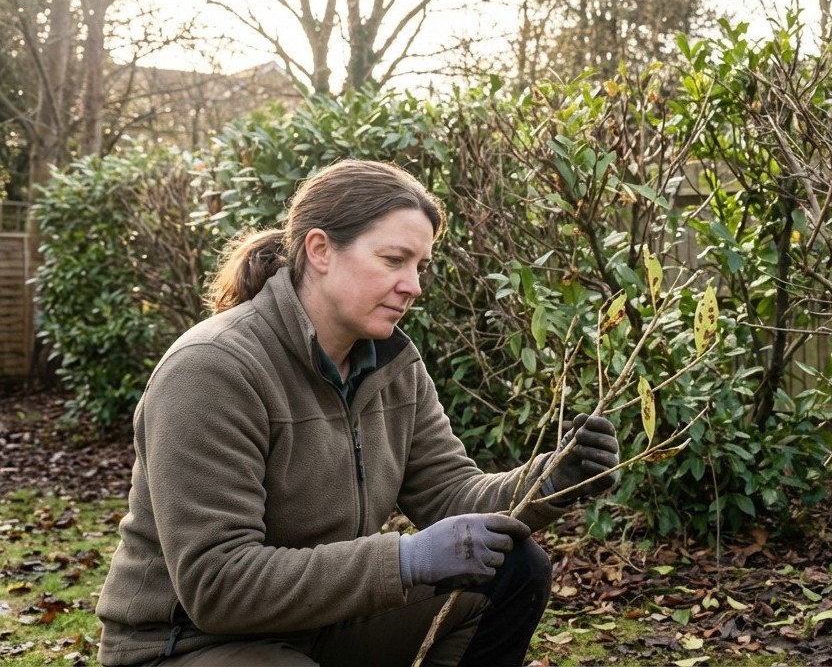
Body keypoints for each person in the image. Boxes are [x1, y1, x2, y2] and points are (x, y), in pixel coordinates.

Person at [96, 158, 619, 667]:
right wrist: (406, 559)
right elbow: (218, 585)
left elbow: (450, 495)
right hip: (187, 644)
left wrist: (550, 481)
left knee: (512, 568)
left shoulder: (393, 366)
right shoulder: (213, 370)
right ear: (320, 249)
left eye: (420, 267)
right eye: (394, 261)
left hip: (323, 624)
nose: (413, 286)